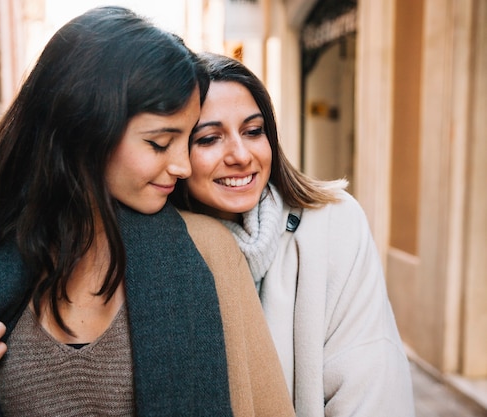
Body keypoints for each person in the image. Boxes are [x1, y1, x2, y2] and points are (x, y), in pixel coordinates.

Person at [0, 7, 295, 417]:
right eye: (159, 143)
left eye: (187, 140)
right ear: (86, 133)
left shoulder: (207, 251)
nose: (183, 166)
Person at [171, 52, 416, 416]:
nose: (240, 154)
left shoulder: (334, 222)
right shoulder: (160, 248)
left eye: (254, 131)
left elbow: (371, 383)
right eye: (209, 139)